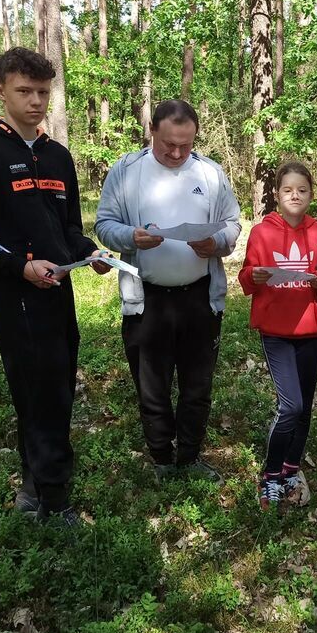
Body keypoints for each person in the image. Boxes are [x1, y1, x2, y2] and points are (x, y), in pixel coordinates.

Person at [0, 47, 111, 527]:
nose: (36, 101)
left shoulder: (58, 157)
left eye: (43, 92)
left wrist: (89, 252)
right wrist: (19, 267)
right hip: (14, 294)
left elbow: (68, 228)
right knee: (42, 390)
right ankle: (55, 503)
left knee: (53, 384)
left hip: (58, 290)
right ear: (1, 91)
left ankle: (33, 485)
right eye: (25, 91)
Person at [95, 100, 242, 483]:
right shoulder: (127, 171)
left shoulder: (209, 173)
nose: (177, 153)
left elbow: (231, 223)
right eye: (168, 145)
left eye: (186, 145)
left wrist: (218, 243)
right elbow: (105, 224)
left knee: (197, 384)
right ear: (152, 131)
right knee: (152, 385)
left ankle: (190, 456)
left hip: (199, 295)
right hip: (148, 299)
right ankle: (162, 458)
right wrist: (130, 236)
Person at [238, 162, 317, 510]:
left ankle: (292, 470)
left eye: (303, 190)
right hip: (276, 329)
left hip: (310, 328)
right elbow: (246, 278)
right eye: (287, 190)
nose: (295, 196)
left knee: (305, 407)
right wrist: (256, 276)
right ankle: (270, 475)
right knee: (290, 406)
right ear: (277, 195)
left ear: (312, 194)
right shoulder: (262, 233)